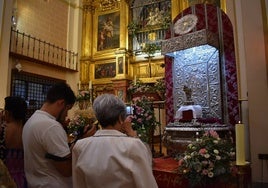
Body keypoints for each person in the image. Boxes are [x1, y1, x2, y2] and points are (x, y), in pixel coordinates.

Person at [72, 94, 158, 188]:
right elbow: (147, 183)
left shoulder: (80, 146)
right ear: (121, 118)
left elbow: (78, 183)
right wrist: (133, 134)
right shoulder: (133, 145)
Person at [22, 82, 76, 188]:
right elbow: (66, 169)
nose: (66, 114)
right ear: (61, 103)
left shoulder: (32, 120)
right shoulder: (51, 126)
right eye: (67, 109)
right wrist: (81, 144)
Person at [0, 96, 28, 188]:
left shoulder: (2, 130)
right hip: (25, 179)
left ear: (7, 113)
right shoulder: (28, 130)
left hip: (5, 179)